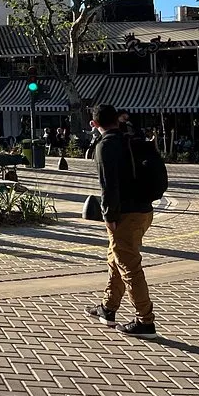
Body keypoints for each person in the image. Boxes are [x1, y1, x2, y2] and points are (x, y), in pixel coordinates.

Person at [85, 104, 157, 338]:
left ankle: (145, 321)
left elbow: (109, 186)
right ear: (117, 119)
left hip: (125, 214)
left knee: (129, 266)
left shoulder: (105, 146)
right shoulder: (129, 138)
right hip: (145, 209)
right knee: (116, 257)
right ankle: (108, 308)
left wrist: (109, 217)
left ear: (94, 124)